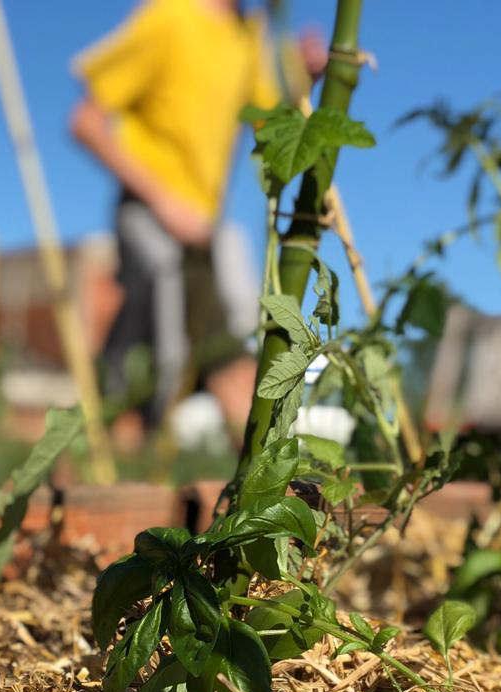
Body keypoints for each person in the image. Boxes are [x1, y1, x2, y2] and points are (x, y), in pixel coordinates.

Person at [68, 0, 326, 449]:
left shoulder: (247, 34)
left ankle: (256, 472)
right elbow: (86, 122)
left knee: (224, 340)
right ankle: (122, 441)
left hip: (204, 228)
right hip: (152, 212)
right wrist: (164, 201)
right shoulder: (171, 16)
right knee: (168, 345)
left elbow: (268, 126)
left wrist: (304, 80)